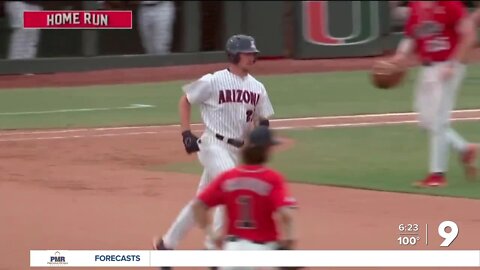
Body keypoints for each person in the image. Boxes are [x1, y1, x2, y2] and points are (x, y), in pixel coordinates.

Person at [152, 34, 275, 266]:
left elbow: (263, 119)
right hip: (213, 145)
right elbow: (185, 100)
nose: (252, 57)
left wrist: (261, 140)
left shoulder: (258, 87)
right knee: (231, 186)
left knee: (202, 200)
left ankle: (166, 245)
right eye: (248, 53)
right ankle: (213, 250)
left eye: (253, 53)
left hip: (238, 150)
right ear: (234, 55)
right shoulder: (213, 81)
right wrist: (186, 133)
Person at [388, 1, 478, 187]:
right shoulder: (416, 6)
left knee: (438, 121)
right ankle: (463, 147)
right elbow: (411, 36)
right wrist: (401, 55)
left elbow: (469, 36)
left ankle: (437, 175)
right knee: (425, 121)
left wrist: (454, 64)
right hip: (428, 68)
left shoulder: (451, 5)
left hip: (448, 67)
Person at [192, 126, 297, 270]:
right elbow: (286, 215)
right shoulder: (272, 179)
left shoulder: (228, 178)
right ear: (266, 149)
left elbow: (198, 205)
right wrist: (290, 243)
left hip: (232, 254)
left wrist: (212, 236)